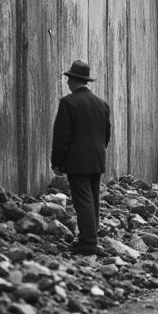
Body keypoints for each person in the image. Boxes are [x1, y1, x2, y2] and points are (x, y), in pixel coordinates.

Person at [50, 60, 112, 256]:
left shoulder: (68, 103)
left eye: (69, 79)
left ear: (73, 80)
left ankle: (88, 243)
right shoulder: (102, 104)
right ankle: (90, 238)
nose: (67, 82)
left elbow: (62, 136)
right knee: (93, 200)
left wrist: (57, 162)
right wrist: (98, 152)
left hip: (77, 161)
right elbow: (106, 134)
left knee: (83, 201)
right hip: (97, 159)